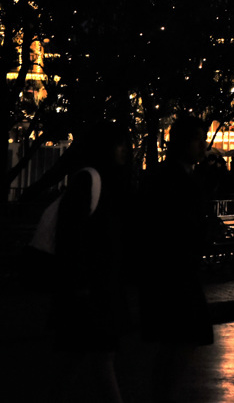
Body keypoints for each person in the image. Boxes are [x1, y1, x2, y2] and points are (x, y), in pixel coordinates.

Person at [48, 121, 133, 403]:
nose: (125, 149)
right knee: (99, 355)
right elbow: (73, 236)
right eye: (119, 144)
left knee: (80, 356)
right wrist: (80, 283)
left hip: (95, 288)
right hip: (90, 289)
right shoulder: (92, 180)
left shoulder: (101, 180)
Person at [138, 114, 214, 403]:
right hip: (172, 271)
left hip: (173, 270)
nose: (203, 146)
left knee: (178, 341)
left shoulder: (173, 175)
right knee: (182, 338)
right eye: (198, 139)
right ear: (181, 142)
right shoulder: (171, 178)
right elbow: (171, 224)